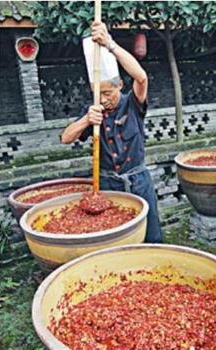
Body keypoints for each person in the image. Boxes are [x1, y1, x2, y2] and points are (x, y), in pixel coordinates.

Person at [61, 21, 162, 243]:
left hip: (138, 180)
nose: (103, 99)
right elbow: (65, 138)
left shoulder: (132, 104)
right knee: (115, 235)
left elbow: (141, 77)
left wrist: (110, 44)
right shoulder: (92, 109)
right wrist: (86, 120)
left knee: (151, 233)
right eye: (98, 94)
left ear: (119, 86)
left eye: (107, 93)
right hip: (108, 184)